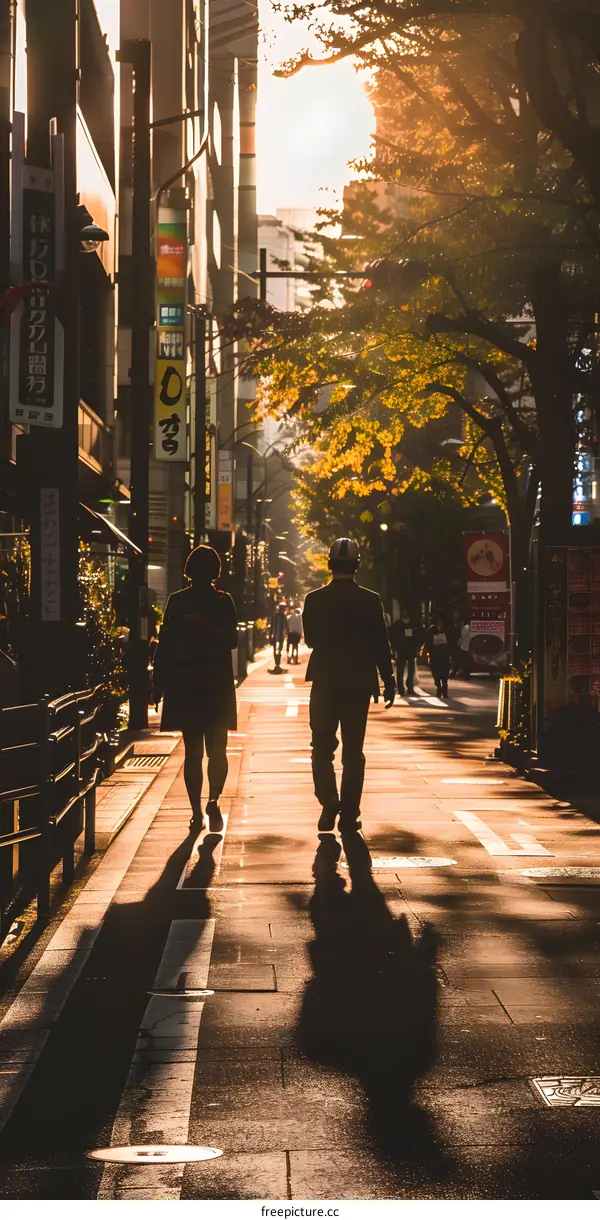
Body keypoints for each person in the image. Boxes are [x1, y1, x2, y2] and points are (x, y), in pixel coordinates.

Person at [303, 537, 395, 836]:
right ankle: (349, 813)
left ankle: (329, 800)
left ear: (330, 564)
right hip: (359, 681)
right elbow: (381, 645)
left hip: (325, 680)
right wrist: (388, 679)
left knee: (321, 746)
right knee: (353, 751)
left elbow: (312, 640)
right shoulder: (370, 600)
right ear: (357, 565)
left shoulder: (314, 599)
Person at [152, 545, 238, 832]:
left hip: (185, 684)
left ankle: (196, 812)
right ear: (216, 571)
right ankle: (213, 800)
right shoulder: (224, 601)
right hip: (216, 685)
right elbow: (232, 640)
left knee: (193, 753)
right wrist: (209, 627)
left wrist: (158, 685)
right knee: (218, 750)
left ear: (188, 569)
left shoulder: (177, 601)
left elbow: (164, 645)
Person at [389, 608, 422, 696]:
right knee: (400, 670)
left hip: (411, 650)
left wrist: (417, 647)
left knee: (411, 670)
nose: (405, 612)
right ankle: (400, 688)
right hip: (401, 650)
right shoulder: (398, 624)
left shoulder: (414, 624)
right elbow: (392, 635)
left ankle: (410, 687)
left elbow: (420, 635)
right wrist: (395, 646)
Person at [426, 611, 451, 700]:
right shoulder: (431, 630)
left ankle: (445, 691)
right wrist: (428, 652)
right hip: (435, 655)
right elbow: (428, 642)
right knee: (436, 673)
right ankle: (438, 688)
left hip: (445, 655)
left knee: (445, 674)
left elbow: (451, 641)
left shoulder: (447, 629)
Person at [270, 603, 288, 672]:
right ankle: (278, 664)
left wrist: (270, 635)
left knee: (275, 650)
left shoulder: (274, 616)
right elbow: (286, 626)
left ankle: (276, 664)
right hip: (280, 636)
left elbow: (271, 626)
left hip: (274, 636)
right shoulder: (283, 616)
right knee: (279, 650)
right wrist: (287, 633)